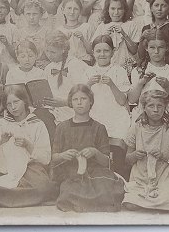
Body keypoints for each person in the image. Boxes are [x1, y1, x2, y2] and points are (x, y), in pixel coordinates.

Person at [0, 86, 56, 208]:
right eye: (9, 104)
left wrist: (28, 145)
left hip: (30, 169)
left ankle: (5, 196)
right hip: (7, 169)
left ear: (24, 101)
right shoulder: (1, 124)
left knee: (43, 187)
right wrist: (0, 142)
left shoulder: (37, 124)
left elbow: (46, 159)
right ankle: (19, 196)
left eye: (16, 102)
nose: (13, 107)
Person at [52, 84, 125, 212]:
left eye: (83, 99)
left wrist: (95, 152)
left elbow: (106, 162)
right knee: (69, 194)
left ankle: (89, 202)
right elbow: (54, 157)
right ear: (70, 102)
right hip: (71, 171)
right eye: (75, 99)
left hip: (96, 172)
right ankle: (86, 201)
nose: (79, 103)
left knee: (108, 192)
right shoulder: (62, 127)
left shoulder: (99, 127)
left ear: (91, 101)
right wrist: (63, 155)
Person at [85, 35, 131, 179]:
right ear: (93, 52)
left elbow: (122, 100)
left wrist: (111, 84)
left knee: (116, 145)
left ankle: (117, 176)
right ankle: (97, 176)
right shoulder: (88, 71)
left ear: (112, 52)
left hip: (115, 113)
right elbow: (80, 98)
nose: (102, 54)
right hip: (95, 113)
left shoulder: (119, 71)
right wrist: (88, 85)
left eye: (106, 50)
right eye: (98, 51)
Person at [43, 30, 90, 124]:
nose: (49, 55)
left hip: (75, 114)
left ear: (63, 49)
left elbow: (85, 94)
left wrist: (64, 102)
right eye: (47, 51)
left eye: (53, 52)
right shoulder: (48, 68)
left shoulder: (76, 65)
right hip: (56, 115)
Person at [91, 0, 140, 75]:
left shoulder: (131, 25)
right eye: (113, 9)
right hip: (107, 67)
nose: (116, 12)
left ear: (124, 10)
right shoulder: (102, 26)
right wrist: (105, 36)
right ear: (107, 9)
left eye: (120, 9)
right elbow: (94, 50)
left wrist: (124, 34)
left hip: (126, 66)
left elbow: (134, 50)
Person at [138, 0, 169, 65]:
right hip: (150, 66)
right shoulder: (146, 28)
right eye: (156, 5)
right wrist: (142, 39)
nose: (159, 9)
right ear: (151, 8)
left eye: (163, 6)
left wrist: (165, 39)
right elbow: (141, 56)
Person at [130, 31, 169, 104]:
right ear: (146, 48)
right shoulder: (138, 70)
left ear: (166, 48)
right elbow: (132, 100)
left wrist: (168, 87)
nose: (156, 51)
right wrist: (141, 83)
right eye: (152, 47)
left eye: (160, 47)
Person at [57, 0, 93, 65]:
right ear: (63, 10)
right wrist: (65, 40)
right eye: (69, 8)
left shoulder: (86, 27)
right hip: (66, 64)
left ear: (80, 11)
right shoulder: (59, 30)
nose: (72, 12)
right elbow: (58, 53)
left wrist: (83, 39)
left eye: (75, 9)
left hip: (84, 62)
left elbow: (91, 51)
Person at [19, 0, 51, 69]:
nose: (31, 17)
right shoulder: (20, 32)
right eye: (28, 14)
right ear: (24, 14)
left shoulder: (47, 31)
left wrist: (42, 44)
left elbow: (51, 53)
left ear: (41, 15)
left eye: (35, 14)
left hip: (42, 66)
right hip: (25, 66)